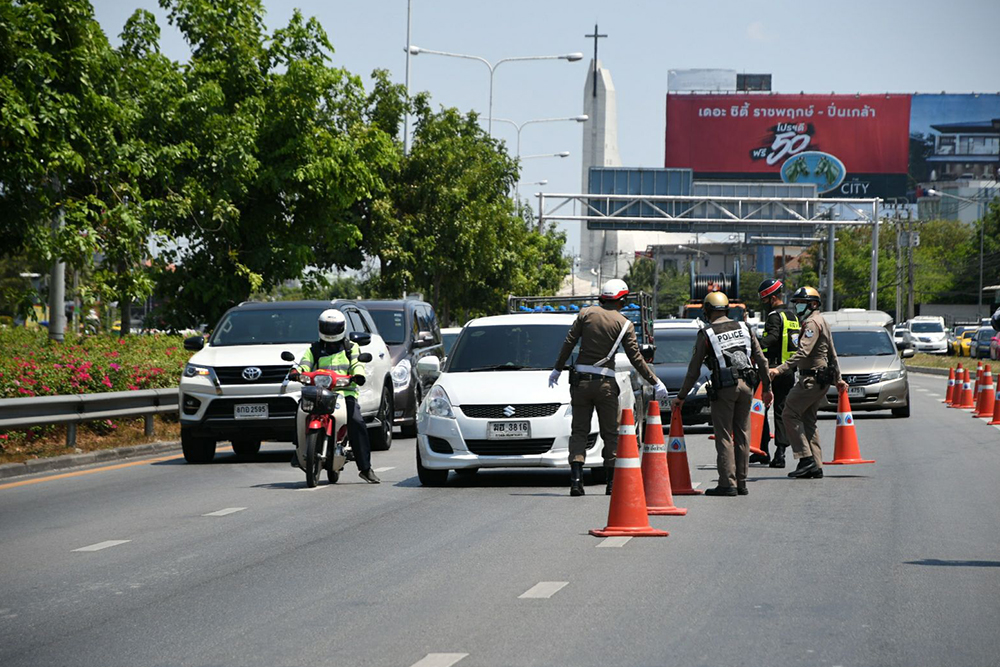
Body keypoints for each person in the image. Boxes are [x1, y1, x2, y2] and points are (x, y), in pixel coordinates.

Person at [550, 279, 669, 497]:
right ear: (622, 300)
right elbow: (636, 359)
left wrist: (557, 369)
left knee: (579, 431)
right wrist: (655, 381)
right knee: (611, 433)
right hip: (605, 385)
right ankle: (611, 483)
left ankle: (576, 480)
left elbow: (568, 343)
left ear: (602, 298)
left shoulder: (585, 314)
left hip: (580, 383)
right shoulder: (624, 324)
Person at [672, 291, 772, 497]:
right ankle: (742, 482)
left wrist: (681, 396)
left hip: (725, 387)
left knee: (725, 435)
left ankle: (727, 483)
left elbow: (694, 369)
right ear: (726, 309)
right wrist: (768, 389)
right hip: (748, 386)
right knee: (743, 435)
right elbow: (762, 361)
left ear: (707, 311)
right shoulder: (745, 327)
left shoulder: (707, 333)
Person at [289, 309, 380, 484]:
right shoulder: (314, 349)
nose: (330, 332)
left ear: (342, 328)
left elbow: (357, 363)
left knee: (357, 422)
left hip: (345, 393)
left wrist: (358, 375)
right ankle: (298, 451)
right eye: (327, 328)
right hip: (318, 393)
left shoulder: (351, 347)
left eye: (334, 328)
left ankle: (365, 468)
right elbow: (304, 364)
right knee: (300, 412)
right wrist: (296, 371)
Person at [769, 286, 849, 480]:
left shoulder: (812, 323)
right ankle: (816, 464)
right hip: (818, 379)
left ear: (813, 304)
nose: (797, 307)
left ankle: (805, 459)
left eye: (801, 304)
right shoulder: (822, 321)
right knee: (808, 421)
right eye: (796, 303)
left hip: (810, 380)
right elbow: (832, 352)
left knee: (788, 413)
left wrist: (778, 369)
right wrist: (838, 378)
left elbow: (803, 352)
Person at [753, 278, 799, 468]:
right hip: (787, 370)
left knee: (759, 410)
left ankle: (763, 450)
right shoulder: (792, 315)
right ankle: (780, 452)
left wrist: (754, 343)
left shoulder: (774, 316)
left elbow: (771, 339)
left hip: (771, 370)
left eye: (764, 300)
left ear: (771, 298)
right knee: (781, 411)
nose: (763, 304)